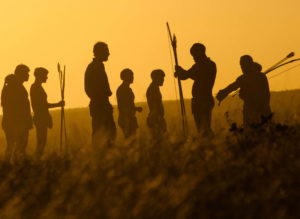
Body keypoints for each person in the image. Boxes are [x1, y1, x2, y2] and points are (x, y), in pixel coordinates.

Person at [175, 43, 216, 136]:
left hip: (201, 100)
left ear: (200, 53)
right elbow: (186, 75)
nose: (194, 58)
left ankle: (208, 144)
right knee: (205, 127)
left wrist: (179, 70)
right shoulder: (211, 64)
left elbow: (186, 75)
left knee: (203, 128)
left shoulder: (202, 65)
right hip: (206, 99)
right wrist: (180, 72)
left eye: (194, 55)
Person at [217, 55, 272, 125]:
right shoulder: (258, 76)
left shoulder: (257, 77)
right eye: (241, 65)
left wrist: (223, 93)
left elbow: (265, 95)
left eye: (244, 65)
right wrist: (223, 93)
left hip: (258, 109)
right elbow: (233, 86)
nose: (242, 67)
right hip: (255, 109)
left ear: (250, 64)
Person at [84, 42, 116, 145]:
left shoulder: (97, 66)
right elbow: (93, 89)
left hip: (101, 104)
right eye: (106, 51)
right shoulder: (95, 67)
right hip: (100, 106)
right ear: (100, 52)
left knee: (108, 133)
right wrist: (102, 99)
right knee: (103, 134)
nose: (108, 54)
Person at [30, 67, 64, 159]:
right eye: (45, 76)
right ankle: (35, 161)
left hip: (41, 118)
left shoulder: (38, 87)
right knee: (41, 143)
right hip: (40, 118)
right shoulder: (35, 87)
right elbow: (42, 105)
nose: (46, 77)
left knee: (42, 142)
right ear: (39, 76)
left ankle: (36, 161)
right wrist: (58, 104)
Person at [1, 65, 33, 163]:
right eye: (26, 73)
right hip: (16, 123)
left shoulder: (12, 86)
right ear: (20, 73)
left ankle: (10, 166)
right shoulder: (14, 87)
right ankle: (14, 166)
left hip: (12, 122)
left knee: (13, 145)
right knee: (18, 146)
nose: (28, 75)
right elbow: (17, 107)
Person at [116, 68, 142, 139]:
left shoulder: (127, 89)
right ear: (125, 77)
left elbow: (128, 104)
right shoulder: (122, 89)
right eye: (131, 76)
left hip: (130, 118)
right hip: (126, 119)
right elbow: (122, 106)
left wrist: (136, 108)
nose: (133, 77)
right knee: (130, 141)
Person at [146, 69, 166, 140]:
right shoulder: (153, 89)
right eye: (161, 78)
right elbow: (155, 106)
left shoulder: (155, 88)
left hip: (157, 118)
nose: (163, 80)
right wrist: (159, 119)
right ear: (155, 78)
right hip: (156, 119)